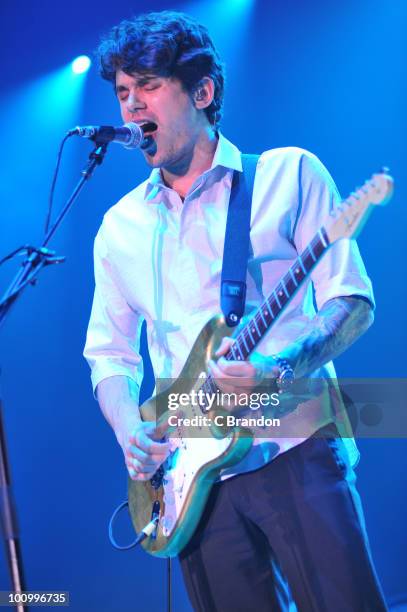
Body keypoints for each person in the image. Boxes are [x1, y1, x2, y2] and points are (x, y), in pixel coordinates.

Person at [84, 10, 388, 611]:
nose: (131, 108)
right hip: (189, 483)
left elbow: (351, 302)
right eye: (123, 92)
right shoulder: (118, 227)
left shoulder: (288, 174)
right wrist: (128, 429)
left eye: (148, 86)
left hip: (294, 444)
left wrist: (279, 366)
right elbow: (109, 355)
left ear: (203, 91)